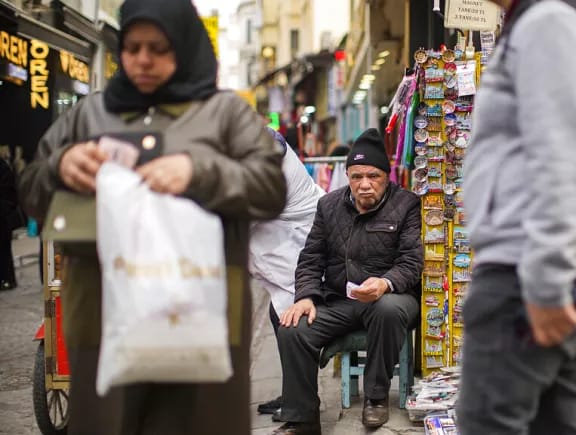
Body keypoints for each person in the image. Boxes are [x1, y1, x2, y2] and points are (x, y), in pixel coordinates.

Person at [17, 0, 287, 433]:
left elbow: (271, 188)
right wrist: (59, 166)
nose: (143, 59)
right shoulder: (90, 114)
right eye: (133, 47)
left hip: (199, 317)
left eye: (158, 48)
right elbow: (29, 190)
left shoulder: (224, 113)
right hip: (104, 321)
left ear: (183, 47)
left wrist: (198, 171)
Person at [457, 0, 576, 434]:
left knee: (489, 422)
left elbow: (563, 159)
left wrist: (546, 281)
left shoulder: (550, 24)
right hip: (549, 265)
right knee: (554, 422)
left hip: (528, 270)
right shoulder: (556, 21)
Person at [271, 128, 422, 435]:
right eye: (356, 177)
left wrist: (384, 283)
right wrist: (305, 297)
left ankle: (376, 398)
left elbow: (411, 262)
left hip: (390, 297)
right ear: (348, 176)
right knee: (292, 327)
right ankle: (302, 418)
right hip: (340, 300)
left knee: (388, 309)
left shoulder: (406, 204)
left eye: (373, 176)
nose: (364, 184)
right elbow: (310, 258)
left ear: (386, 175)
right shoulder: (328, 206)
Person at [250, 128, 325, 419]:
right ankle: (293, 392)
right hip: (288, 245)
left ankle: (301, 402)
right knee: (276, 313)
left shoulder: (269, 168)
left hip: (301, 244)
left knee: (294, 321)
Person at [0, 147, 18, 290]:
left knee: (4, 250)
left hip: (2, 218)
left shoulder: (3, 168)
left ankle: (7, 279)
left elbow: (10, 193)